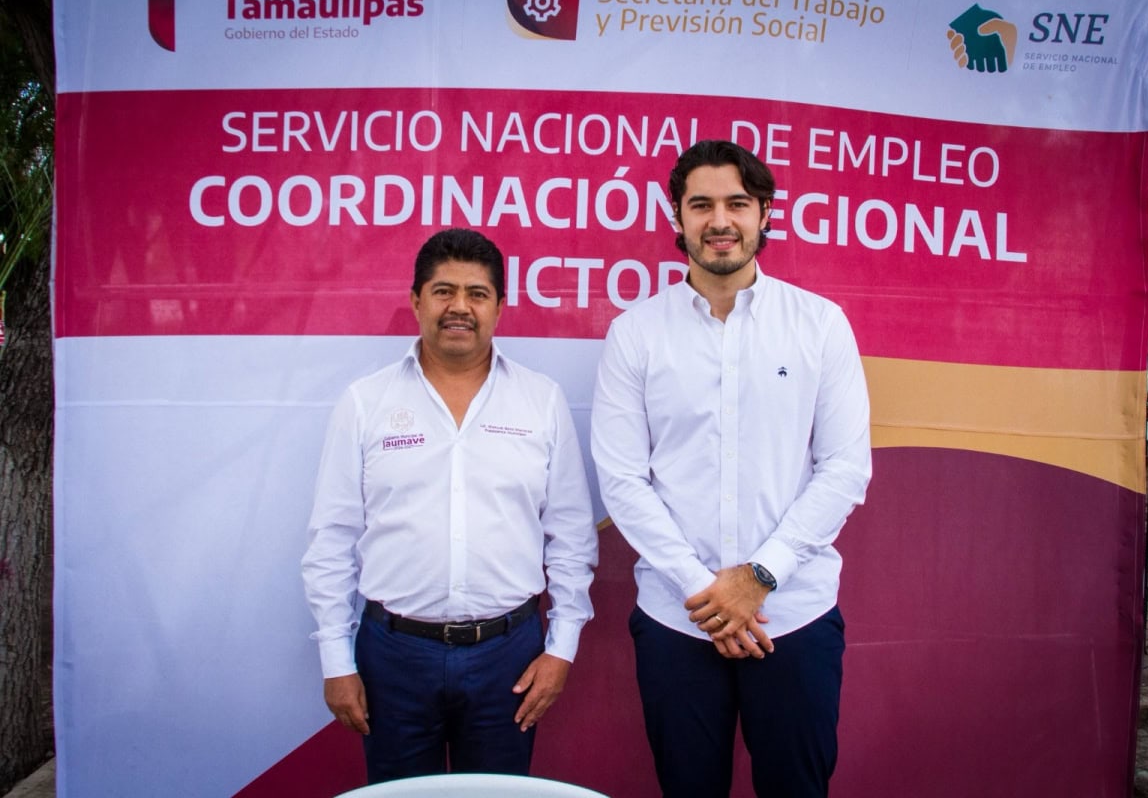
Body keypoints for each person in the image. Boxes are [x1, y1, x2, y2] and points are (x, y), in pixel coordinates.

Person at [590, 140, 871, 797]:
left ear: (764, 213)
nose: (720, 221)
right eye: (702, 205)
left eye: (737, 203)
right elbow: (623, 481)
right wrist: (708, 594)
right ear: (678, 217)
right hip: (676, 618)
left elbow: (844, 468)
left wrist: (760, 576)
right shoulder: (636, 333)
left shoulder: (819, 325)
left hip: (793, 615)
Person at [302, 227, 598, 782]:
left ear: (499, 307)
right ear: (416, 301)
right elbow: (332, 539)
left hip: (508, 656)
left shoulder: (540, 400)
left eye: (477, 293)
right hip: (393, 655)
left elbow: (572, 537)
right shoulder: (366, 402)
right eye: (443, 291)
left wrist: (562, 649)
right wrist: (335, 660)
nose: (459, 307)